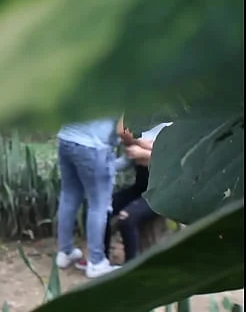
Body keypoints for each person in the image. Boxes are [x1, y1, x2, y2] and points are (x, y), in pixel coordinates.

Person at [55, 117, 124, 278]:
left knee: (69, 196)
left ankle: (65, 252)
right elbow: (122, 129)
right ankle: (96, 262)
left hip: (66, 138)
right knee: (98, 205)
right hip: (93, 147)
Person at [104, 122, 173, 263]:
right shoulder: (142, 127)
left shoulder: (171, 126)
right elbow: (125, 161)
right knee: (104, 208)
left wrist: (144, 152)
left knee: (127, 218)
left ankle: (132, 266)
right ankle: (101, 260)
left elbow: (173, 157)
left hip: (162, 192)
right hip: (140, 188)